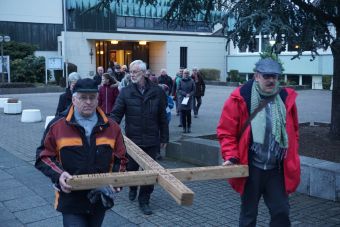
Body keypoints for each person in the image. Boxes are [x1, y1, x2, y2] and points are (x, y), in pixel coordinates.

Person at [216, 58, 300, 227]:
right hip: (252, 168)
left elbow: (294, 131)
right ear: (256, 76)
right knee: (248, 214)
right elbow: (226, 132)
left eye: (275, 77)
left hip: (276, 168)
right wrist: (231, 156)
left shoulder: (285, 98)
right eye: (267, 76)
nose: (271, 80)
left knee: (281, 212)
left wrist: (292, 155)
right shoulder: (240, 98)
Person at [35, 78, 128, 227]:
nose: (88, 102)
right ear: (74, 99)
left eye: (92, 97)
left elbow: (121, 158)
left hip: (100, 197)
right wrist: (59, 174)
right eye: (83, 97)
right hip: (71, 198)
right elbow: (43, 157)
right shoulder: (57, 126)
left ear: (98, 99)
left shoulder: (112, 127)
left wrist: (117, 179)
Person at [111, 60, 169, 215]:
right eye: (131, 71)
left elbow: (163, 117)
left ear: (144, 73)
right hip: (132, 141)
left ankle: (144, 200)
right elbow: (116, 114)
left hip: (152, 140)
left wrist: (164, 137)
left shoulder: (157, 91)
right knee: (131, 169)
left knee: (149, 173)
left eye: (135, 71)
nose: (132, 74)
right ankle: (132, 187)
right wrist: (108, 131)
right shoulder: (126, 92)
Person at [178, 69, 195, 133]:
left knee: (188, 115)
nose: (186, 74)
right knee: (183, 115)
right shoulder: (180, 80)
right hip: (182, 99)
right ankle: (184, 128)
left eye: (187, 73)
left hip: (189, 100)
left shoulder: (192, 81)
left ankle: (189, 127)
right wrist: (185, 94)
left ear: (189, 74)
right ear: (183, 74)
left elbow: (194, 90)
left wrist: (190, 94)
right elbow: (178, 89)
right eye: (185, 73)